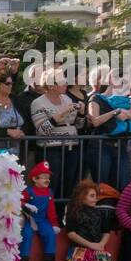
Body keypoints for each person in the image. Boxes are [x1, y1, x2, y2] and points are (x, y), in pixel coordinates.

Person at [29, 69, 82, 202]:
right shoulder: (38, 103)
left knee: (68, 186)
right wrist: (62, 113)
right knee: (53, 184)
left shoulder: (67, 99)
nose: (66, 84)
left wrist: (81, 113)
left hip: (71, 148)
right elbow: (42, 130)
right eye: (62, 81)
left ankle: (60, 218)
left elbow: (77, 125)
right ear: (51, 85)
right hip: (51, 150)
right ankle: (49, 217)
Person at [86, 64, 131, 189]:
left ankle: (119, 209)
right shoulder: (96, 98)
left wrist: (130, 115)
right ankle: (101, 209)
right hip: (101, 146)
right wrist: (115, 112)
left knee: (124, 184)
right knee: (102, 186)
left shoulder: (125, 100)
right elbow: (95, 121)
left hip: (120, 145)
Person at [19, 160, 59, 261]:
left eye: (48, 177)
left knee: (50, 233)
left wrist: (54, 224)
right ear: (35, 179)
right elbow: (19, 201)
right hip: (29, 219)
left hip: (42, 220)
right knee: (26, 234)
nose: (47, 180)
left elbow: (51, 210)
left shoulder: (49, 193)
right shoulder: (29, 191)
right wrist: (26, 204)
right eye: (44, 177)